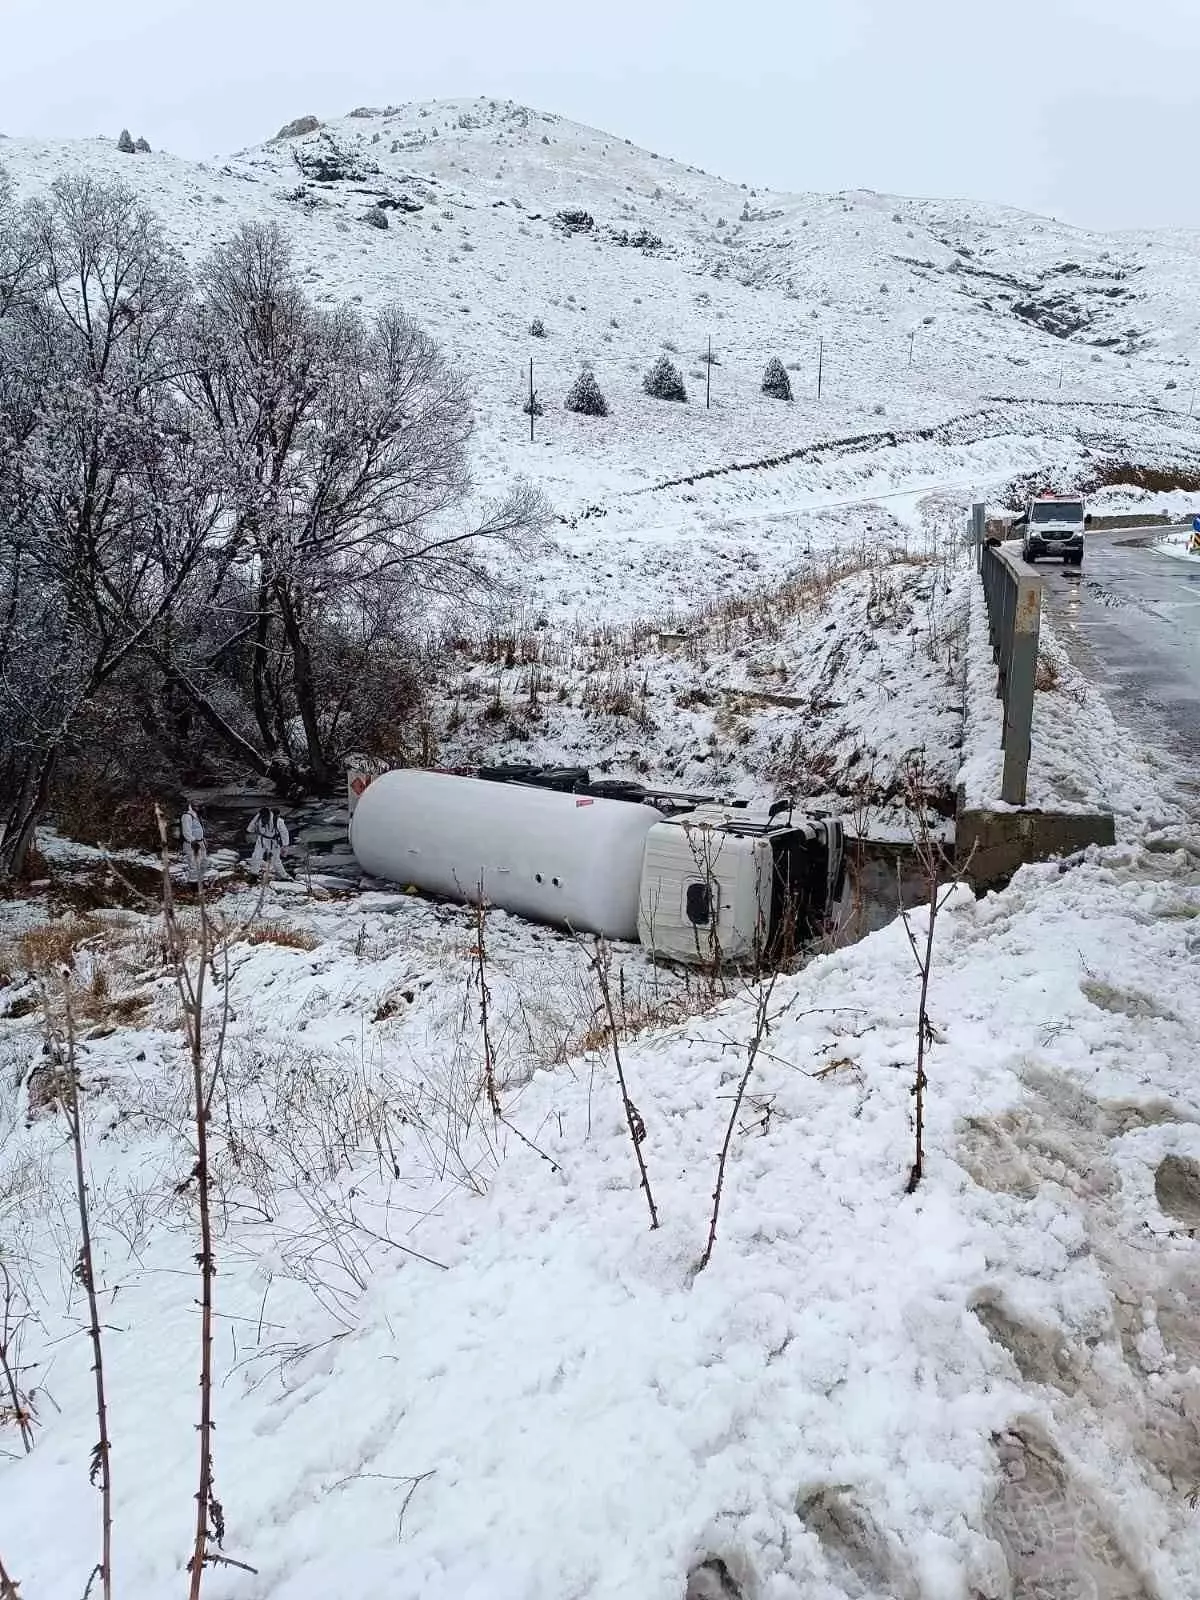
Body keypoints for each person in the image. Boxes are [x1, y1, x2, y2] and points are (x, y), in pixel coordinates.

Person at [246, 807, 291, 880]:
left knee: (275, 860)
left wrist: (285, 845)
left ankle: (284, 876)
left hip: (273, 842)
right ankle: (254, 874)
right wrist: (256, 819)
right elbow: (250, 829)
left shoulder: (277, 821)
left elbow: (284, 833)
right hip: (261, 840)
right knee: (256, 857)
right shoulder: (259, 817)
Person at [180, 801, 208, 885]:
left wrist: (203, 840)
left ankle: (201, 881)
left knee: (204, 862)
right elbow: (186, 831)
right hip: (191, 844)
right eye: (199, 807)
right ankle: (193, 883)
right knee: (194, 864)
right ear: (193, 806)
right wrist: (193, 841)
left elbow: (199, 829)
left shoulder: (197, 816)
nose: (201, 809)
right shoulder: (187, 816)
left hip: (200, 842)